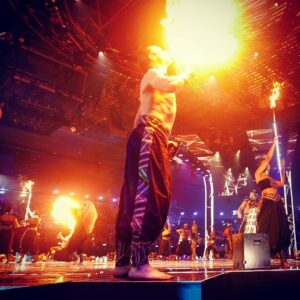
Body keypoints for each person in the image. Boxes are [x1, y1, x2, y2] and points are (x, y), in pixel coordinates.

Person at [114, 45, 192, 280]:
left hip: (150, 135)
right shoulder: (153, 74)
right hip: (149, 134)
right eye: (162, 49)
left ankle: (123, 263)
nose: (170, 50)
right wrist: (189, 72)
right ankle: (139, 264)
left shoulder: (153, 84)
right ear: (152, 56)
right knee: (148, 195)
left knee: (137, 194)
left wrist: (158, 141)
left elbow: (138, 117)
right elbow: (172, 84)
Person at [255, 137, 291, 268]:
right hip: (268, 203)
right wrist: (274, 143)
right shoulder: (258, 173)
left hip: (277, 203)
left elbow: (281, 183)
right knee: (268, 229)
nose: (268, 165)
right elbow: (268, 158)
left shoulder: (270, 178)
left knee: (281, 230)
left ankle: (283, 258)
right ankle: (263, 257)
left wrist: (282, 169)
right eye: (265, 163)